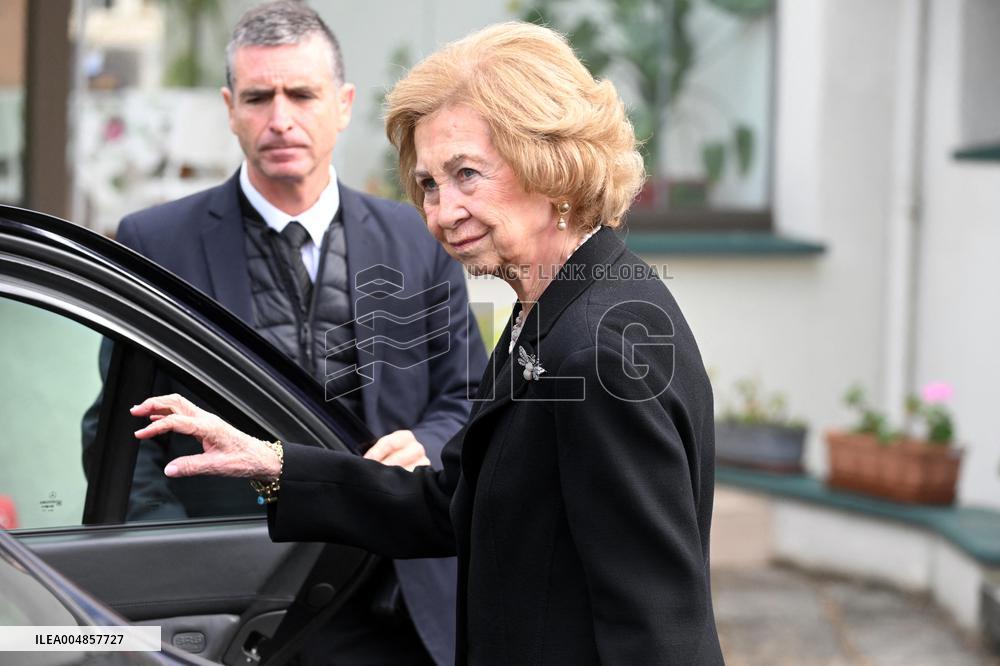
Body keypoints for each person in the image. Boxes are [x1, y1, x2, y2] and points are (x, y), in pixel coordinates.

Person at [133, 21, 724, 665]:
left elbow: (660, 633)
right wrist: (273, 466)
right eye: (429, 185)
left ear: (551, 163)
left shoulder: (597, 347)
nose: (441, 213)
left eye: (468, 174)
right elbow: (450, 503)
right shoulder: (550, 311)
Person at [116, 2, 486, 664]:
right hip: (242, 609)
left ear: (343, 104)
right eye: (258, 97)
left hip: (400, 600)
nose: (280, 118)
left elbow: (466, 397)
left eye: (302, 94)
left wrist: (425, 446)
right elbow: (123, 430)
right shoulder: (155, 242)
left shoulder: (418, 235)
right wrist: (178, 571)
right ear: (230, 108)